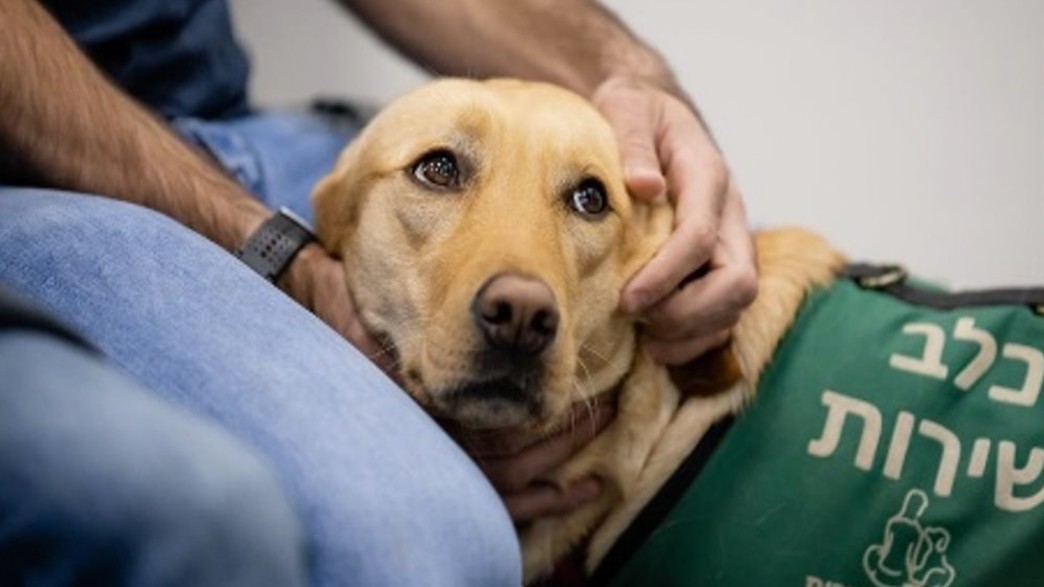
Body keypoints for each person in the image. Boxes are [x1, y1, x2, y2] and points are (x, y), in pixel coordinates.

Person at [0, 0, 758, 584]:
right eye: (442, 171)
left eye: (586, 200)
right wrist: (290, 264)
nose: (521, 306)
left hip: (254, 130)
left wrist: (642, 87)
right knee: (430, 537)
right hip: (42, 168)